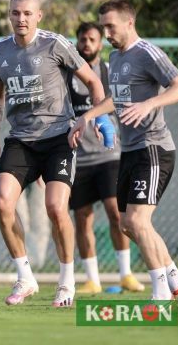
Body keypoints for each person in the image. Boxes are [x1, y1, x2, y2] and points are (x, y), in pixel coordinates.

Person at [0, 0, 114, 307]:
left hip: (58, 139)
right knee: (2, 201)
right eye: (15, 13)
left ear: (39, 16)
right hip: (21, 141)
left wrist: (98, 118)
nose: (21, 19)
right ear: (9, 14)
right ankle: (25, 278)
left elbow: (94, 82)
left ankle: (67, 282)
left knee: (56, 208)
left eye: (27, 13)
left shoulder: (55, 45)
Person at [97, 0, 178, 301]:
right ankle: (176, 277)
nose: (106, 32)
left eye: (111, 26)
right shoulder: (115, 57)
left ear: (129, 22)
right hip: (130, 150)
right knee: (128, 226)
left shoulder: (147, 52)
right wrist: (88, 116)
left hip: (154, 148)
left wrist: (149, 103)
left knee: (137, 221)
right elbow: (116, 97)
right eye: (103, 26)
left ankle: (160, 291)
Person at [68, 21, 145, 294]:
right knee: (82, 218)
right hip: (79, 160)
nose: (86, 44)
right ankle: (92, 279)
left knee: (116, 212)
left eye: (91, 39)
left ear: (100, 43)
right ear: (76, 43)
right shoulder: (66, 77)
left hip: (110, 156)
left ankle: (125, 274)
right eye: (82, 39)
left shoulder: (110, 72)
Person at [15, 178, 50, 269]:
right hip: (16, 168)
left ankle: (38, 261)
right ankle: (22, 261)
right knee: (18, 212)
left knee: (40, 210)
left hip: (42, 167)